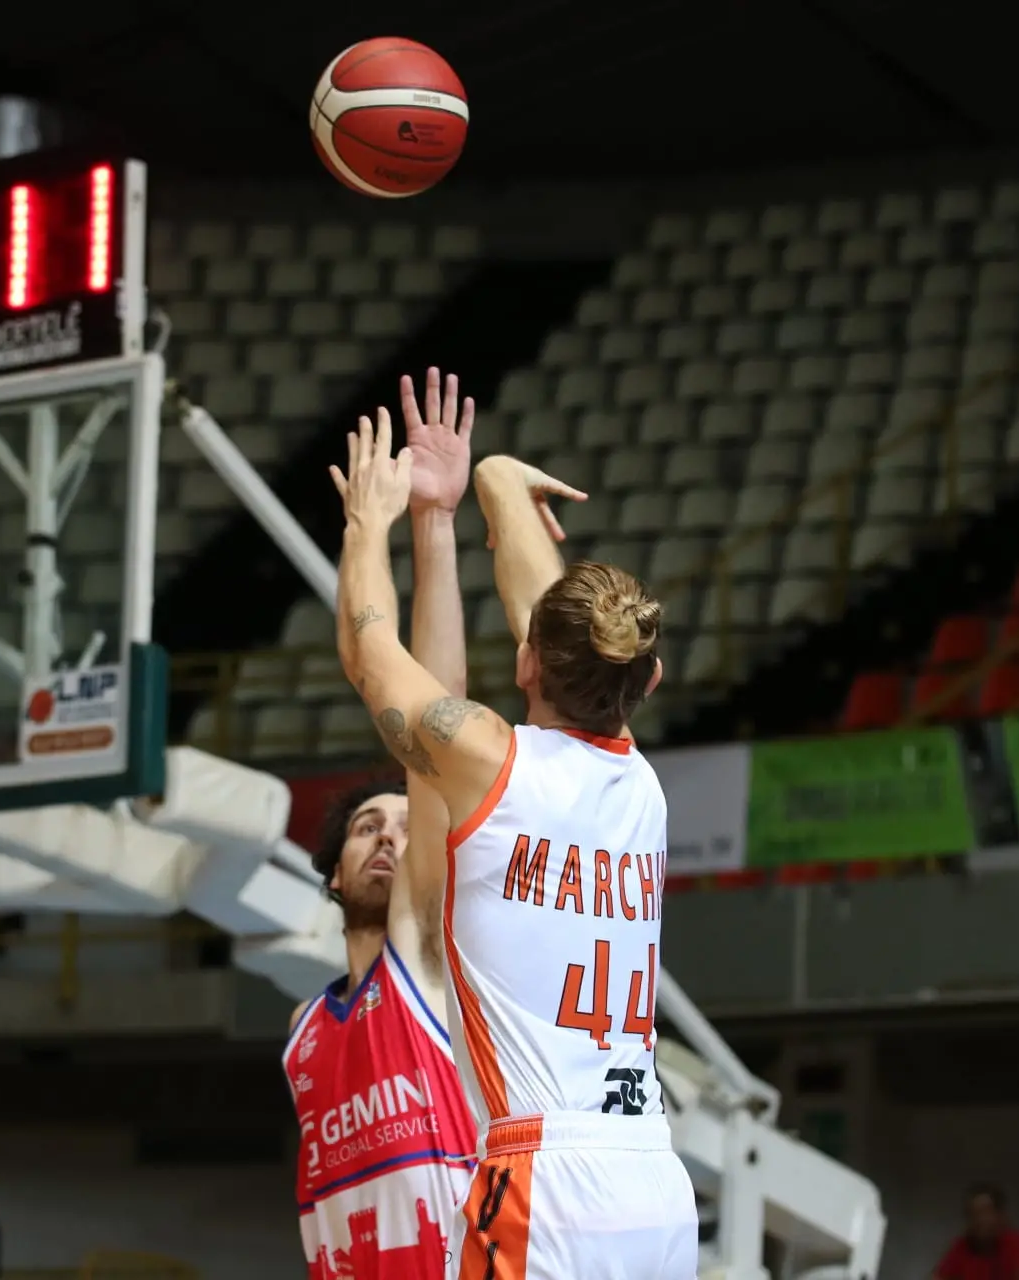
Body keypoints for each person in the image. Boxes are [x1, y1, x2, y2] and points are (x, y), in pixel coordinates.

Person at [330, 410, 699, 1279]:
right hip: (655, 1176)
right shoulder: (639, 788)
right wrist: (494, 483)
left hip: (544, 1178)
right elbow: (561, 629)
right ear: (647, 679)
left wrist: (369, 523)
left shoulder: (486, 759)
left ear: (527, 664)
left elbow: (365, 647)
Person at [281, 370, 479, 1280]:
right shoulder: (302, 1034)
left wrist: (431, 527)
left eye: (405, 822)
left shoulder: (424, 957)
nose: (392, 836)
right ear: (331, 872)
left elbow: (433, 721)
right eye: (367, 826)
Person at [932, 1182, 1019, 1280]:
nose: (979, 1220)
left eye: (985, 1212)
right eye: (972, 1214)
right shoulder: (962, 1245)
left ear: (1000, 1215)